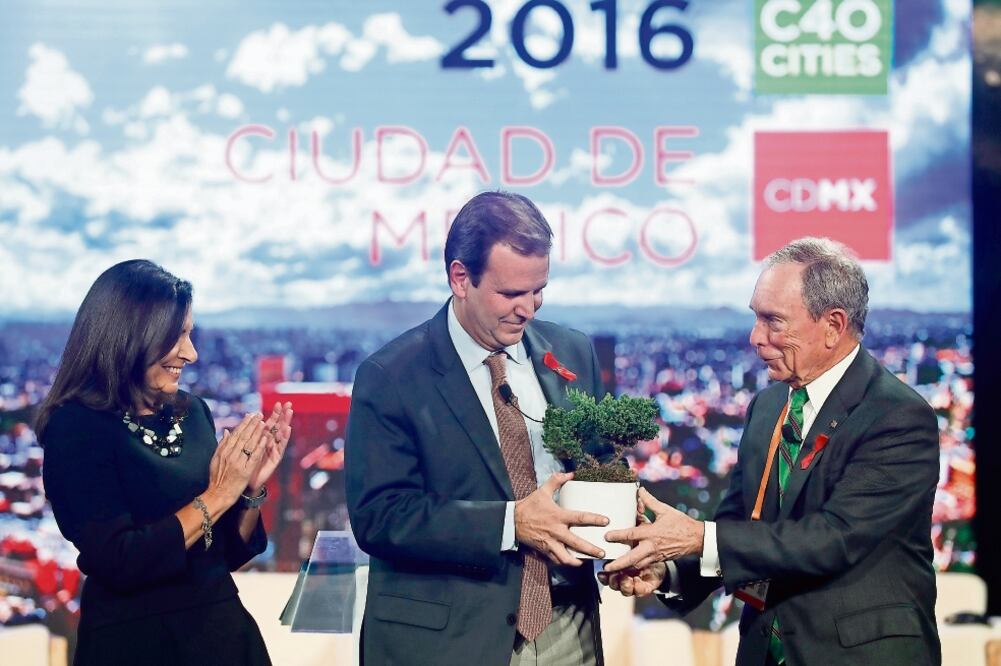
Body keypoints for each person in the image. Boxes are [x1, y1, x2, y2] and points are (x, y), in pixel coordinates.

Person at [602, 237, 941, 665]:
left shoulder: (897, 417)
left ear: (833, 325)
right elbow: (741, 525)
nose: (755, 337)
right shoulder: (768, 406)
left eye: (773, 321)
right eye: (755, 318)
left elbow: (835, 538)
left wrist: (695, 536)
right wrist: (668, 570)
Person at [346, 191, 612, 666]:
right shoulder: (391, 376)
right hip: (449, 642)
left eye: (538, 290)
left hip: (568, 630)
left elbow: (602, 466)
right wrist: (511, 523)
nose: (528, 308)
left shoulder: (572, 352)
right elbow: (380, 516)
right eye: (510, 293)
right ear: (460, 278)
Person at [36, 260, 293, 666]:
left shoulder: (193, 413)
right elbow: (118, 560)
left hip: (222, 636)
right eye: (177, 336)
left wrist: (248, 492)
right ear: (129, 335)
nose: (190, 353)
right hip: (134, 644)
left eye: (189, 334)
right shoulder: (76, 427)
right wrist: (219, 493)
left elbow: (222, 553)